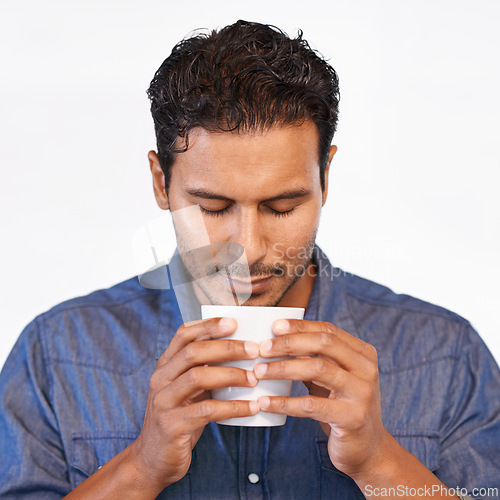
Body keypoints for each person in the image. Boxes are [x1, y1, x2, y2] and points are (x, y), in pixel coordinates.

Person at [0, 20, 499, 500]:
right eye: (213, 208)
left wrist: (380, 462)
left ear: (325, 178)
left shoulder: (448, 355)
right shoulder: (55, 355)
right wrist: (142, 468)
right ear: (160, 182)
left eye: (281, 207)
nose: (250, 248)